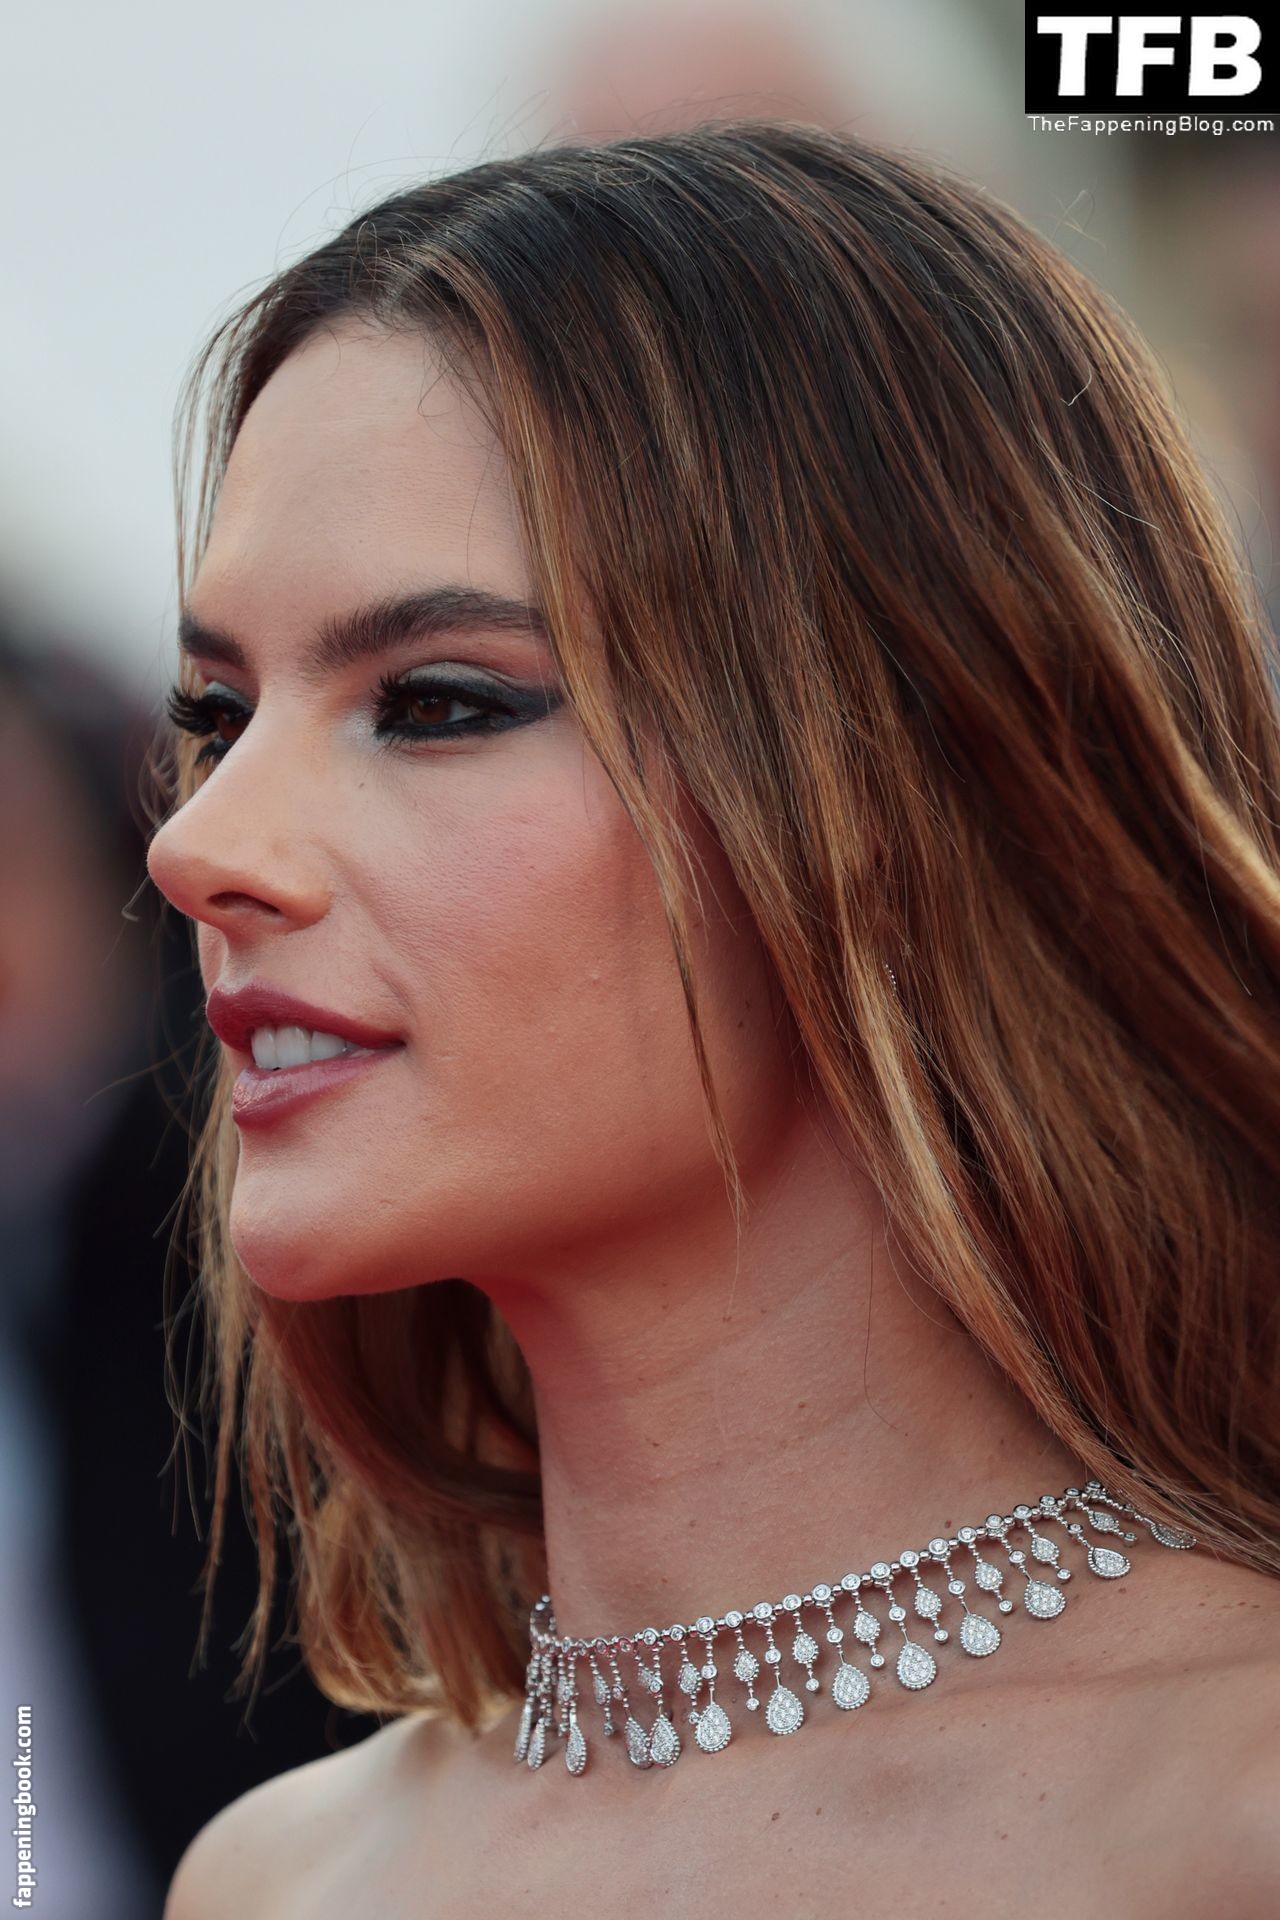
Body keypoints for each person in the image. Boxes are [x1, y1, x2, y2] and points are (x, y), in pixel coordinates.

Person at [146, 123, 1280, 1916]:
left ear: (906, 788)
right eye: (216, 715)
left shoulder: (1235, 1818)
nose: (200, 843)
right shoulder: (278, 1880)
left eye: (436, 702)